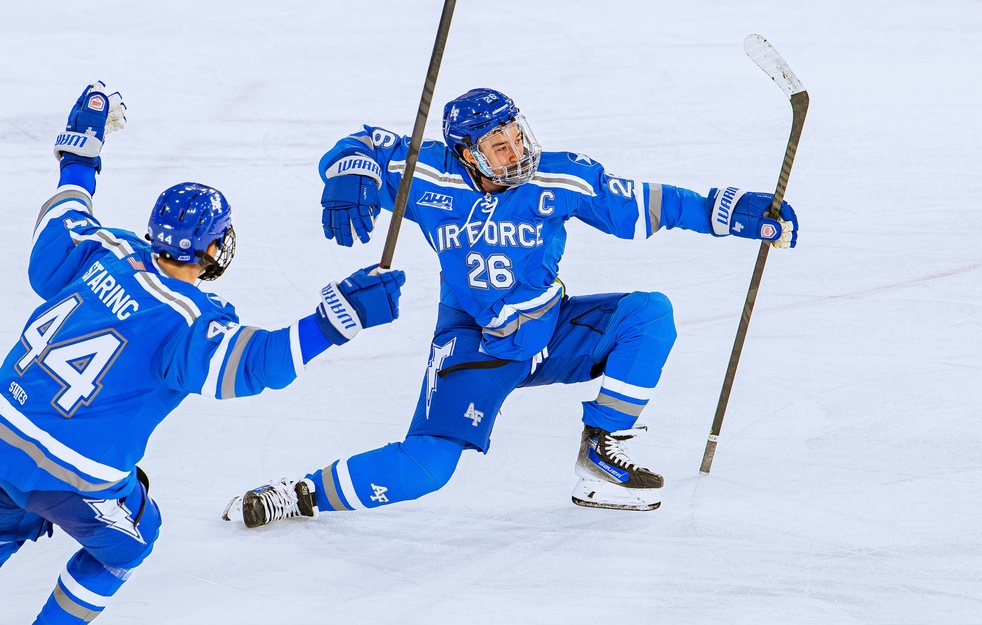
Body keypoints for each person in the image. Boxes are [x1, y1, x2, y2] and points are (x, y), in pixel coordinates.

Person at [233, 87, 797, 526]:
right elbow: (360, 145)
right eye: (499, 145)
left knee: (648, 315)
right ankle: (301, 495)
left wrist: (732, 212)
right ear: (466, 153)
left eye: (518, 136)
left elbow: (650, 203)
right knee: (427, 468)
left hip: (550, 328)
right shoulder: (429, 173)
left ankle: (598, 455)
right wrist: (348, 174)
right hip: (473, 343)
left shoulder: (559, 175)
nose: (518, 151)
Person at [0, 83, 405, 624]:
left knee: (9, 510)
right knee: (131, 543)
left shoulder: (108, 251)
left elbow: (61, 220)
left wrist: (80, 154)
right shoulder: (190, 318)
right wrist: (333, 322)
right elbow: (255, 365)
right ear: (213, 247)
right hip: (74, 472)